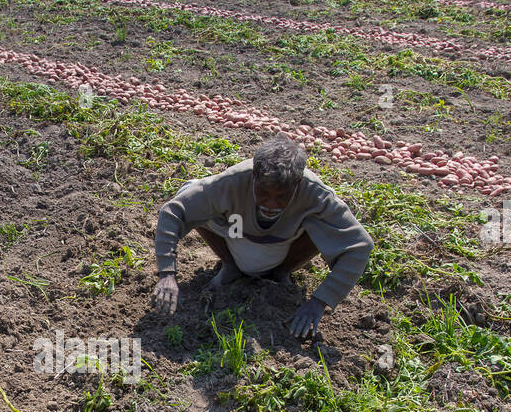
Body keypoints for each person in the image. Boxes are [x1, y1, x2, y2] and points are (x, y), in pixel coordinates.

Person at [151, 134, 374, 339]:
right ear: (254, 176)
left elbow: (359, 245)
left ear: (297, 184)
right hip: (236, 233)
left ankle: (280, 273)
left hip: (285, 244)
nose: (271, 204)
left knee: (325, 222)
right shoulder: (232, 183)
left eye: (282, 197)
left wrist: (319, 302)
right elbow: (174, 211)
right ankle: (231, 266)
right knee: (188, 191)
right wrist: (167, 274)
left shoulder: (315, 195)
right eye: (264, 193)